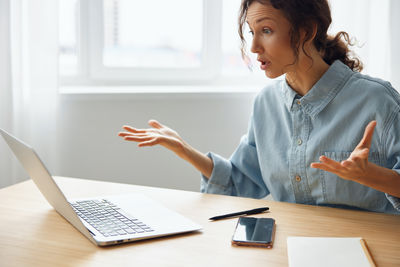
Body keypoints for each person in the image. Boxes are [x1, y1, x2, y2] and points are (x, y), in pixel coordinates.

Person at [118, 0, 400, 214]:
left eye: (266, 30)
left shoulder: (377, 101)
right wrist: (184, 149)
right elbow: (241, 182)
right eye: (251, 32)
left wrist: (375, 177)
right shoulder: (266, 103)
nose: (253, 46)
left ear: (306, 31)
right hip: (290, 247)